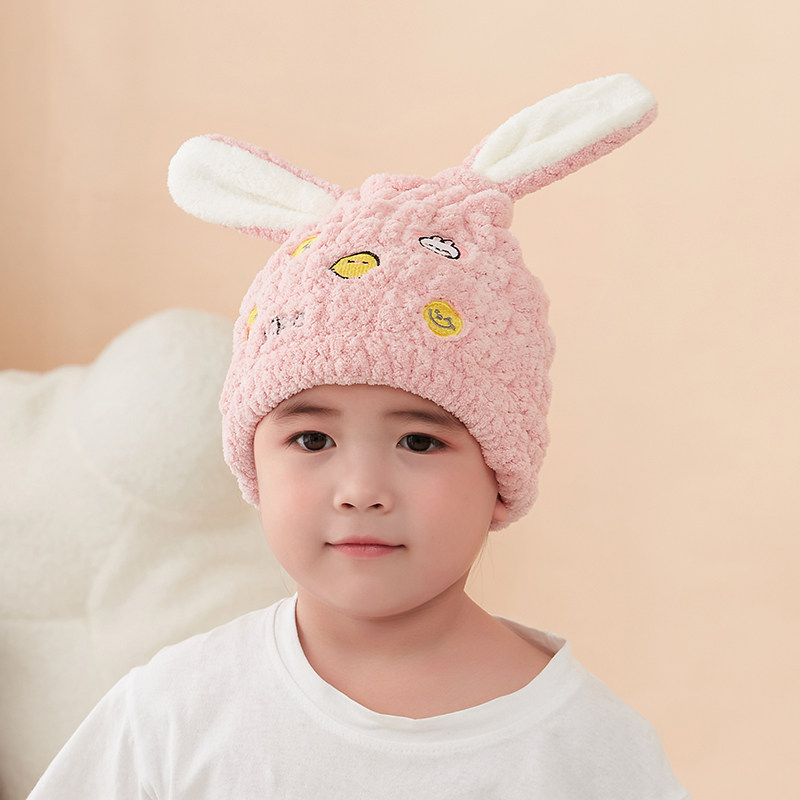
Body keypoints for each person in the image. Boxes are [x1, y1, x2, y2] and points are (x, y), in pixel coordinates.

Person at [28, 75, 690, 798]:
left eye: (419, 443)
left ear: (501, 470)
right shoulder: (171, 715)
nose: (362, 491)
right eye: (313, 441)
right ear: (253, 464)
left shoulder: (592, 753)